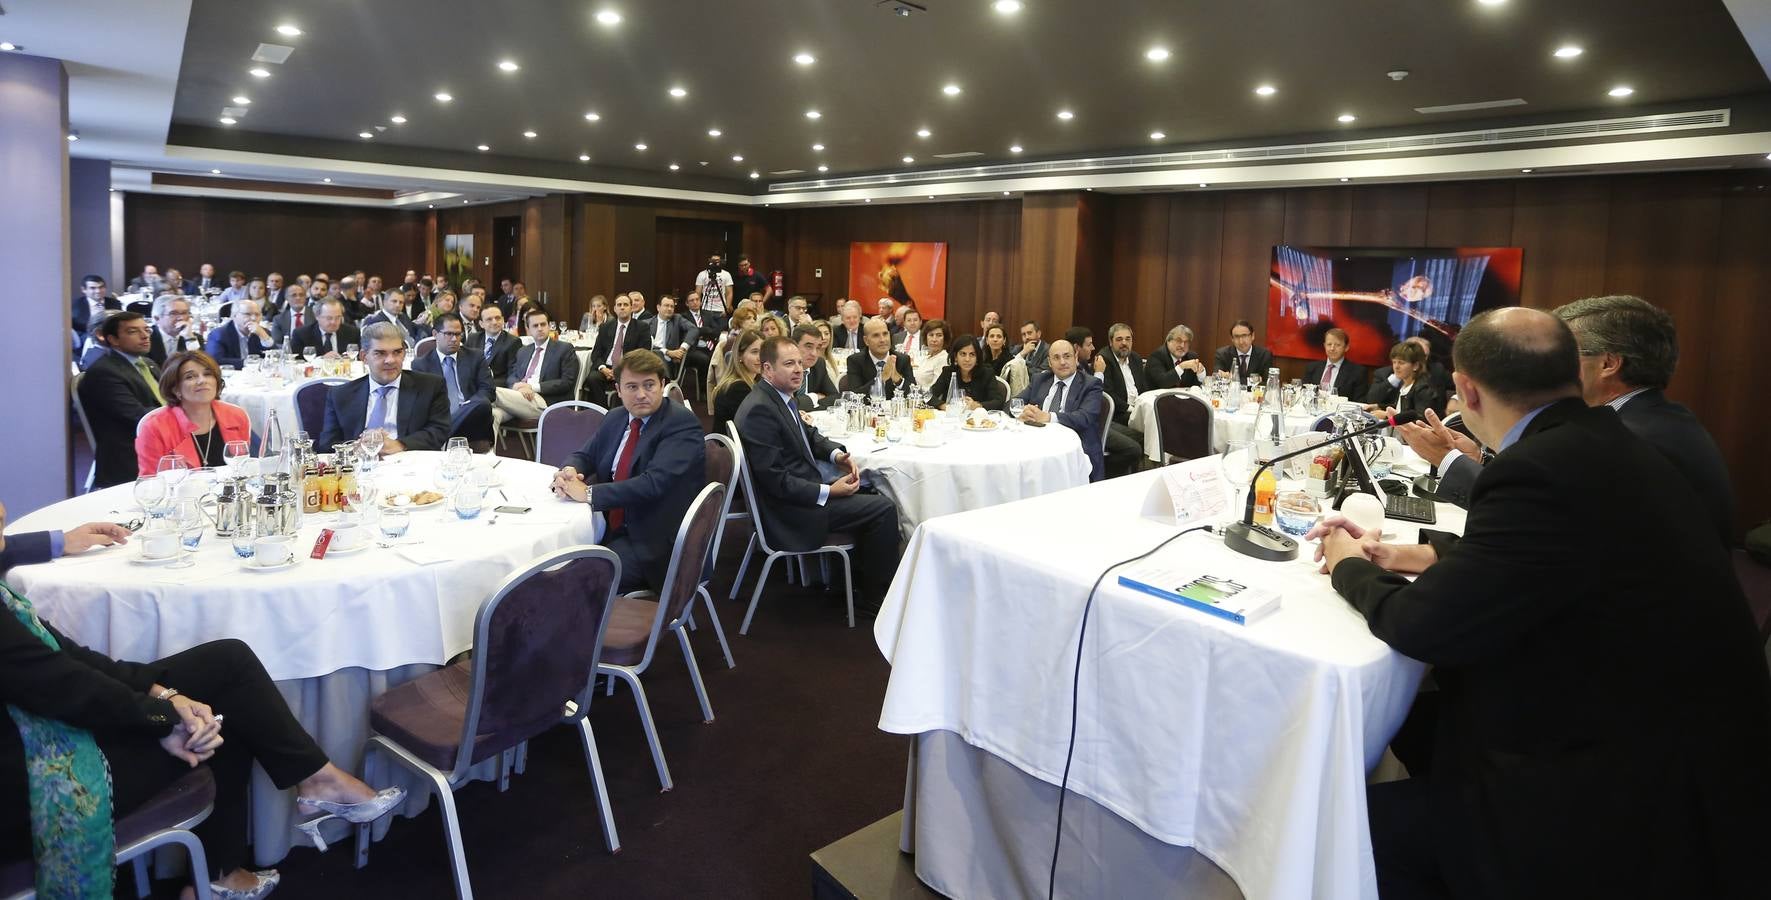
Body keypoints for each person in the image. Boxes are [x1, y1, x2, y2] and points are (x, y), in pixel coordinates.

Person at [1307, 306, 1771, 900]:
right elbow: (1551, 560)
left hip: (1616, 794)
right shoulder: (1604, 439)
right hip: (1685, 746)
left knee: (1346, 830)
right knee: (1423, 722)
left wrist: (1346, 563)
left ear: (1466, 389)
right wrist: (1417, 555)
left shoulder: (1543, 467)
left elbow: (1421, 627)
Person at [0, 502, 404, 900]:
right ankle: (220, 871)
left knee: (226, 666)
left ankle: (312, 782)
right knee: (216, 717)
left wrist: (164, 694)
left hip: (39, 725)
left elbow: (69, 657)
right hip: (31, 782)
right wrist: (163, 718)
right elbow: (65, 688)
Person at [1408, 296, 1736, 540]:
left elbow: (1537, 518)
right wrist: (1479, 457)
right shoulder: (1654, 419)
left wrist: (1447, 459)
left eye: (1564, 357)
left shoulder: (1628, 440)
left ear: (1608, 364)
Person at [734, 337, 900, 610]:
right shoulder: (761, 410)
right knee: (883, 508)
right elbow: (775, 480)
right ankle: (875, 600)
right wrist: (829, 491)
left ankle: (850, 583)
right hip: (788, 512)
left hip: (797, 495)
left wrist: (838, 455)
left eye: (799, 362)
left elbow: (809, 435)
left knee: (870, 489)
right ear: (767, 370)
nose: (799, 369)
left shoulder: (777, 398)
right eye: (789, 364)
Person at [551, 351, 706, 591]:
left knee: (576, 581)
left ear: (662, 385)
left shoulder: (681, 424)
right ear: (618, 388)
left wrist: (589, 493)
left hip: (652, 540)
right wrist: (570, 470)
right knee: (548, 561)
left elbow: (653, 484)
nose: (642, 394)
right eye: (632, 386)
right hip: (610, 525)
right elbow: (585, 455)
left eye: (649, 385)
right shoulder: (617, 417)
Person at [316, 322, 452, 454]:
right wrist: (357, 447)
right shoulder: (341, 395)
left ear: (404, 353)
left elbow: (439, 431)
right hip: (360, 468)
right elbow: (327, 444)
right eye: (380, 353)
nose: (390, 360)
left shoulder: (430, 386)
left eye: (397, 352)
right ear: (364, 357)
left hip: (409, 464)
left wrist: (399, 444)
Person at [76, 312, 163, 488]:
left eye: (146, 329)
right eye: (133, 331)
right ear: (113, 339)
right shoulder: (104, 372)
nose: (145, 335)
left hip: (159, 438)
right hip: (129, 453)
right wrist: (184, 413)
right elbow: (137, 416)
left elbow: (169, 397)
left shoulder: (147, 363)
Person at [134, 351, 253, 473]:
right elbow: (150, 481)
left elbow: (242, 469)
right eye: (190, 377)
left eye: (207, 374)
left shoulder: (236, 416)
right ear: (175, 389)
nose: (202, 380)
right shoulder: (154, 428)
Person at [1016, 339, 1106, 481]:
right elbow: (1014, 403)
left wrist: (1049, 417)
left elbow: (1085, 417)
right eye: (1056, 358)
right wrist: (1023, 411)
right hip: (1035, 445)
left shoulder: (1091, 384)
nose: (1062, 362)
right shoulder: (1040, 379)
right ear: (1049, 362)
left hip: (1073, 451)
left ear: (1076, 358)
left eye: (1067, 356)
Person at [410, 312, 496, 445]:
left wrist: (466, 408)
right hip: (439, 417)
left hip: (470, 417)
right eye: (449, 334)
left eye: (458, 334)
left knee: (482, 404)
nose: (455, 339)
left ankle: (443, 438)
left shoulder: (475, 357)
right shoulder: (421, 364)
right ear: (435, 334)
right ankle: (445, 434)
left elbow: (488, 391)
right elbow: (422, 401)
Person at [494, 308, 581, 423]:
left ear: (549, 326)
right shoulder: (523, 351)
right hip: (519, 399)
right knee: (493, 415)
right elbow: (512, 376)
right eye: (535, 326)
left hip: (546, 402)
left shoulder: (564, 349)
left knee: (490, 391)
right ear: (528, 329)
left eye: (543, 324)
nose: (540, 328)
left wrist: (531, 387)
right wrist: (516, 386)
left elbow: (567, 382)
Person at [1095, 323, 1150, 476]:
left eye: (1128, 339)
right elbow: (1107, 394)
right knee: (1146, 436)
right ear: (1110, 342)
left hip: (1137, 408)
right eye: (1119, 339)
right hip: (1118, 413)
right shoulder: (1104, 359)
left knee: (1160, 422)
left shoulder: (1136, 359)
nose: (1124, 343)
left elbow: (1143, 387)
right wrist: (1131, 408)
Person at [585, 294, 654, 404]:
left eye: (625, 305)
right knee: (592, 378)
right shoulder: (605, 327)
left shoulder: (641, 328)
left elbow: (643, 354)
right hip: (606, 368)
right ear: (614, 309)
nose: (622, 307)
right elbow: (596, 353)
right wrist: (603, 368)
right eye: (619, 305)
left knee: (627, 380)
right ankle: (602, 411)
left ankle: (619, 412)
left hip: (628, 368)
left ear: (631, 308)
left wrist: (621, 369)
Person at [1363, 340, 1446, 418]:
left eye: (1401, 363)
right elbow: (1401, 409)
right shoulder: (1404, 384)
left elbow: (1420, 419)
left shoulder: (1423, 389)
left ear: (1415, 366)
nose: (1396, 367)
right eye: (1394, 362)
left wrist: (1387, 416)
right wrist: (1378, 406)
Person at [841, 318, 915, 399]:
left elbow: (914, 394)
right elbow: (855, 396)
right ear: (866, 340)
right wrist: (881, 379)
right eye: (876, 335)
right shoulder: (855, 361)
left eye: (885, 334)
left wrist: (898, 380)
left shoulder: (902, 359)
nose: (882, 340)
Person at [929, 337, 1005, 411]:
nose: (967, 359)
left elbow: (998, 401)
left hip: (978, 420)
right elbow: (928, 395)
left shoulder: (987, 373)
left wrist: (978, 405)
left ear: (977, 358)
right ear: (955, 357)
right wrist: (944, 406)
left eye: (972, 354)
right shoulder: (948, 372)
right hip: (952, 418)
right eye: (963, 354)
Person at [712, 329, 763, 435]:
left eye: (763, 352)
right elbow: (756, 427)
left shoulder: (752, 382)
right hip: (731, 450)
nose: (760, 358)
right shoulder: (737, 389)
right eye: (754, 352)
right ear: (740, 356)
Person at [204, 300, 277, 368]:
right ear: (234, 316)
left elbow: (276, 357)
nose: (254, 318)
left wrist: (264, 337)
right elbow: (214, 360)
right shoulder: (219, 334)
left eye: (257, 314)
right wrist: (248, 363)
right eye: (248, 314)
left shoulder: (263, 332)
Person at [1303, 327, 1366, 398]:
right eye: (1329, 344)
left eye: (1337, 345)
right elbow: (1304, 393)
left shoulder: (1357, 372)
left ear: (1346, 347)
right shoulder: (1312, 367)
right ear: (1324, 346)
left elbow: (1359, 403)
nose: (1332, 348)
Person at [290, 298, 360, 360]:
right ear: (317, 316)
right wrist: (321, 359)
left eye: (338, 317)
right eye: (329, 318)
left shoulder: (352, 333)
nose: (334, 322)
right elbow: (296, 361)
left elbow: (358, 358)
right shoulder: (302, 334)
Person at [790, 325, 839, 410]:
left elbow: (835, 398)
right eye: (809, 346)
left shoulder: (819, 364)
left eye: (818, 348)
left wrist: (809, 405)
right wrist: (814, 397)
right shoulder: (784, 368)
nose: (814, 353)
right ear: (794, 345)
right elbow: (787, 405)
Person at [1145, 324, 1206, 390]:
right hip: (1157, 398)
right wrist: (1181, 366)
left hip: (1183, 398)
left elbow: (1195, 386)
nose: (1182, 345)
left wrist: (1200, 373)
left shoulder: (1191, 357)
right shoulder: (1156, 356)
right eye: (1178, 340)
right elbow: (1163, 383)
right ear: (1168, 341)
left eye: (1186, 342)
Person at [147, 294, 201, 367]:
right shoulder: (146, 338)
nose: (181, 318)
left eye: (184, 313)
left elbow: (200, 365)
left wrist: (189, 337)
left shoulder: (194, 338)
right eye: (173, 313)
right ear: (157, 318)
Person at [72, 275, 121, 350]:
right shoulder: (75, 306)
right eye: (93, 288)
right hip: (87, 340)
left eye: (101, 287)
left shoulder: (115, 303)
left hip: (112, 338)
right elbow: (73, 329)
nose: (98, 291)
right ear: (84, 290)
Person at [360, 290, 426, 345]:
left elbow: (415, 328)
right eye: (394, 301)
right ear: (384, 302)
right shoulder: (374, 321)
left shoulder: (403, 316)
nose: (398, 305)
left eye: (401, 302)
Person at [476, 305, 521, 383]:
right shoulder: (473, 338)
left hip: (496, 386)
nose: (494, 322)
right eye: (489, 319)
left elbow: (512, 374)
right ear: (481, 324)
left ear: (503, 320)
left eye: (497, 318)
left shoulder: (513, 342)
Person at [912, 318, 951, 389]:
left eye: (939, 335)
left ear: (945, 338)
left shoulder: (943, 359)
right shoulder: (926, 356)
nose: (934, 339)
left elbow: (936, 389)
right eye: (931, 335)